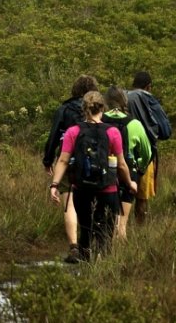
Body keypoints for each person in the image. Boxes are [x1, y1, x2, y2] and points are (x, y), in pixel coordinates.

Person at [49, 91, 137, 261]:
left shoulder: (73, 131)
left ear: (83, 109)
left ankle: (84, 270)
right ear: (102, 108)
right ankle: (103, 271)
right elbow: (121, 164)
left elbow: (63, 160)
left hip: (82, 189)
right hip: (108, 189)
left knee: (85, 232)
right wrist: (130, 183)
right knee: (105, 233)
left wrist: (54, 185)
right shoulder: (112, 132)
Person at [42, 75, 98, 263]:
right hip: (94, 163)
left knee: (70, 204)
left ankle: (74, 247)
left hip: (68, 161)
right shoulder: (97, 109)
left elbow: (53, 135)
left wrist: (48, 159)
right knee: (93, 203)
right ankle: (91, 245)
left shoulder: (64, 109)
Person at [102, 85, 151, 240]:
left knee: (102, 222)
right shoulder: (135, 124)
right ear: (125, 101)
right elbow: (147, 153)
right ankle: (120, 259)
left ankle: (100, 255)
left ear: (106, 102)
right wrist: (140, 168)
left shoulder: (100, 120)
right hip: (128, 173)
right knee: (121, 224)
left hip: (103, 173)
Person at [126, 71, 171, 224]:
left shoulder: (122, 97)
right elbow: (165, 131)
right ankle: (139, 229)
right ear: (148, 86)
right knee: (142, 196)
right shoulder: (149, 100)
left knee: (121, 194)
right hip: (145, 156)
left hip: (120, 154)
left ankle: (119, 229)